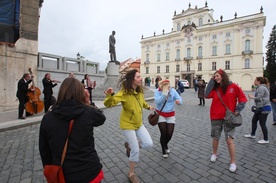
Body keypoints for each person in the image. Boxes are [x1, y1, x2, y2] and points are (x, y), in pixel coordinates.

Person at [39, 77, 106, 183]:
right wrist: (89, 102)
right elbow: (101, 119)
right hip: (89, 171)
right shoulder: (88, 112)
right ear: (81, 93)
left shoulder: (48, 117)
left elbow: (44, 150)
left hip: (64, 175)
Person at [103, 69, 154, 183]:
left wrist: (148, 107)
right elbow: (109, 103)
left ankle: (130, 146)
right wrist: (109, 96)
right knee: (136, 150)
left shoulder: (140, 91)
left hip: (138, 123)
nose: (141, 78)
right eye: (138, 77)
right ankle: (131, 174)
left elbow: (142, 102)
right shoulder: (124, 92)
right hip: (127, 124)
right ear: (132, 80)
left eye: (140, 76)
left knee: (148, 143)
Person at [204, 69, 247, 173]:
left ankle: (233, 162)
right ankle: (214, 153)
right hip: (215, 116)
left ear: (223, 76)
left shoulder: (233, 87)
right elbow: (206, 95)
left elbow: (243, 99)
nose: (216, 77)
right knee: (215, 137)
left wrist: (237, 110)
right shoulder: (215, 88)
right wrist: (211, 82)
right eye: (215, 76)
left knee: (229, 140)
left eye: (217, 76)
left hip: (229, 118)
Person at [154, 79, 182, 158]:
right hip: (161, 114)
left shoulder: (172, 91)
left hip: (170, 114)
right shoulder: (157, 91)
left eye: (168, 84)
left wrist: (178, 101)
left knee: (169, 133)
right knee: (163, 133)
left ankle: (165, 144)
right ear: (161, 85)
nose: (167, 86)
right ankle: (163, 149)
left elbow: (179, 99)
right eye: (165, 85)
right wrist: (164, 94)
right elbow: (158, 102)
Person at [245, 77, 271, 143]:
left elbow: (259, 98)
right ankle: (252, 134)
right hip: (260, 108)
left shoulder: (262, 88)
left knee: (262, 123)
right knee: (254, 121)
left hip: (264, 108)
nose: (254, 81)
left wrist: (252, 97)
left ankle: (266, 139)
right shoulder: (260, 87)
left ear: (259, 81)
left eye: (255, 80)